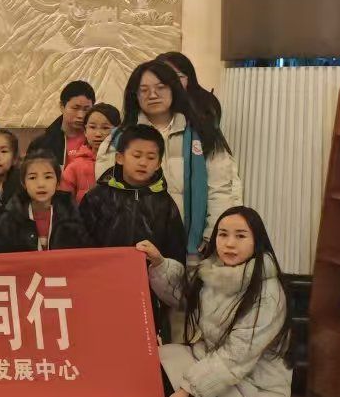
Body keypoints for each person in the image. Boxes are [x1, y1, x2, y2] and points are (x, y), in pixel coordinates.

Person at [141, 207, 289, 397]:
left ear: (257, 241)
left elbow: (235, 357)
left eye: (240, 236)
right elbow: (183, 295)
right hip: (215, 362)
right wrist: (159, 263)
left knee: (183, 392)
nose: (230, 243)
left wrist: (186, 391)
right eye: (223, 234)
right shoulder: (212, 271)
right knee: (154, 363)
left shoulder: (268, 293)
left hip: (255, 384)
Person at [77, 124, 185, 397]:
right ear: (120, 157)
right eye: (137, 155)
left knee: (144, 354)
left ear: (159, 162)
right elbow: (80, 242)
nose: (143, 162)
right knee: (101, 350)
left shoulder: (165, 205)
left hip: (146, 296)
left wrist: (160, 265)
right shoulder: (97, 198)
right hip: (102, 292)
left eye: (151, 157)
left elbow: (174, 255)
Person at [0, 150, 90, 397]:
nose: (41, 183)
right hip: (20, 298)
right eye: (33, 177)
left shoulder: (70, 213)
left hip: (57, 299)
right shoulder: (12, 214)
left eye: (48, 177)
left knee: (49, 359)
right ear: (23, 183)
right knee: (17, 356)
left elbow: (84, 252)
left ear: (58, 181)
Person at [97, 59, 241, 259]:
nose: (152, 94)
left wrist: (211, 236)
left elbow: (221, 191)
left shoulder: (203, 134)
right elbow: (104, 196)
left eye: (160, 87)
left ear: (174, 89)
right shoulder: (117, 140)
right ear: (134, 95)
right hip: (132, 248)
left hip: (194, 246)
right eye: (144, 90)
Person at [63, 103, 121, 203]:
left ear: (118, 131)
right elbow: (63, 204)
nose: (98, 134)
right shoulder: (74, 167)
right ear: (85, 131)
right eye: (92, 127)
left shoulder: (124, 164)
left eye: (105, 128)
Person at [159, 50, 222, 126]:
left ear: (189, 78)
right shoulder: (154, 102)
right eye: (165, 76)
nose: (172, 81)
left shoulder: (206, 102)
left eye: (179, 76)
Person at [36, 80, 96, 159]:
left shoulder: (98, 140)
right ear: (62, 106)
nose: (81, 115)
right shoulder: (43, 144)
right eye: (75, 108)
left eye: (86, 109)